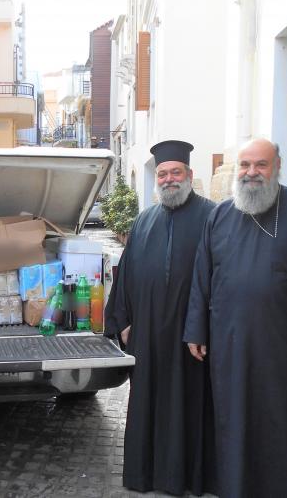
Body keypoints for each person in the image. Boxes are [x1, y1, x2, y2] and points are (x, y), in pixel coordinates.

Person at [183, 138, 287, 498]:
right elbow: (202, 277)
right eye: (245, 165)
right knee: (234, 427)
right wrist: (196, 330)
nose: (251, 172)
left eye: (261, 165)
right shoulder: (219, 216)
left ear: (277, 167)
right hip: (231, 347)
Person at [105, 140, 217, 495]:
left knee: (191, 406)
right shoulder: (144, 220)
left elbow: (223, 277)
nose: (169, 179)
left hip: (192, 336)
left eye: (176, 173)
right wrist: (123, 322)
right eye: (163, 174)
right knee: (148, 403)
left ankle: (190, 478)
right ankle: (147, 475)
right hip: (149, 333)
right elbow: (125, 275)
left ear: (190, 175)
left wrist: (207, 328)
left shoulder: (214, 217)